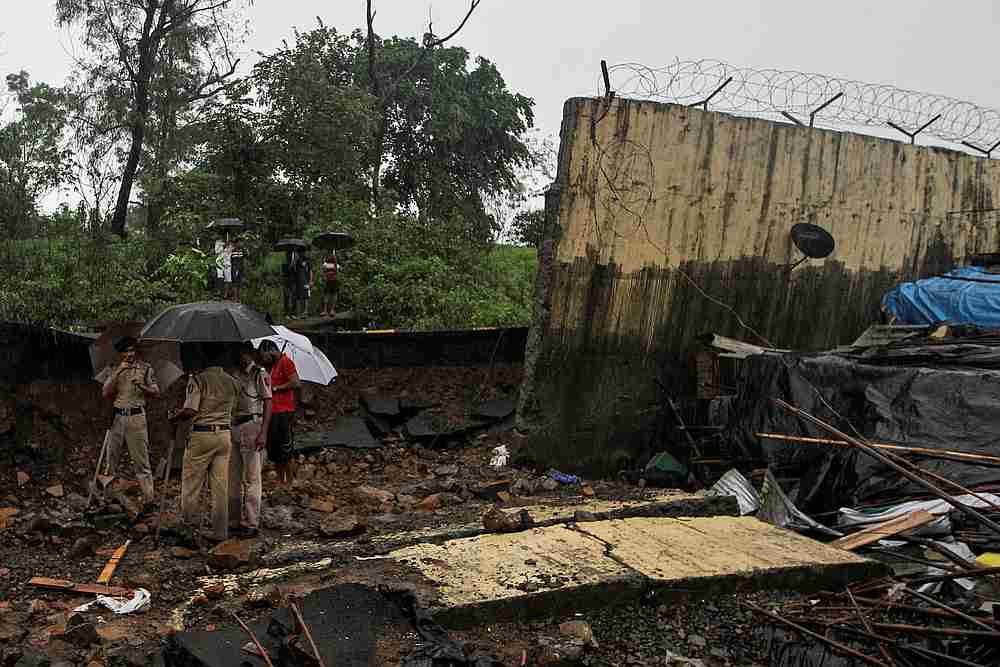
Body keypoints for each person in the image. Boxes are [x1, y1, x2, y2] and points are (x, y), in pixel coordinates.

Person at [175, 343, 241, 544]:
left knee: (191, 484)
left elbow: (191, 410)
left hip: (202, 435)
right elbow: (235, 409)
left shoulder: (198, 380)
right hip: (224, 436)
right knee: (220, 487)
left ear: (204, 357)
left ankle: (188, 531)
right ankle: (220, 533)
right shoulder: (232, 382)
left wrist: (176, 415)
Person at [100, 336, 159, 508]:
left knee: (141, 461)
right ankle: (107, 497)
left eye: (132, 350)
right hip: (117, 417)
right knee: (111, 459)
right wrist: (119, 371)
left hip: (136, 418)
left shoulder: (146, 368)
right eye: (126, 351)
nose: (130, 353)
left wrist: (143, 386)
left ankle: (149, 500)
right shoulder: (113, 369)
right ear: (120, 354)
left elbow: (156, 392)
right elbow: (105, 392)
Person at [229, 343, 272, 538]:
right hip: (234, 425)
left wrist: (263, 432)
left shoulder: (258, 374)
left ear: (251, 353)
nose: (242, 357)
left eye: (245, 352)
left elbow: (268, 402)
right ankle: (235, 520)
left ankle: (251, 522)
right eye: (239, 353)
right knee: (234, 476)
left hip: (252, 424)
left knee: (252, 477)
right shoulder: (233, 373)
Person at [258, 339, 300, 486]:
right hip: (271, 412)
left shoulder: (286, 362)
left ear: (271, 351)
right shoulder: (269, 367)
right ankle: (279, 480)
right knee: (274, 450)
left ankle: (289, 481)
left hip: (284, 412)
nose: (263, 359)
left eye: (264, 355)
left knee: (285, 449)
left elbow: (296, 382)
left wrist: (276, 388)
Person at [320, 251, 339, 317]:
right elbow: (324, 271)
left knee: (334, 294)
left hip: (334, 280)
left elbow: (336, 270)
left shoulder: (335, 259)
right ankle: (325, 310)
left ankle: (332, 310)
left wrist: (334, 260)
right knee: (326, 294)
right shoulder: (325, 260)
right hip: (327, 280)